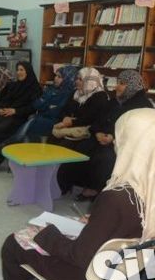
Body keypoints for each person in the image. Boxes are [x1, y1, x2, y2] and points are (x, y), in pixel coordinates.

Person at [1, 107, 155, 280]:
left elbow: (78, 256)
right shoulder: (148, 190)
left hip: (85, 279)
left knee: (13, 244)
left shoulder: (116, 197)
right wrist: (97, 224)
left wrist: (47, 234)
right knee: (64, 234)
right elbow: (131, 227)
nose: (115, 141)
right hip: (120, 275)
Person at [57, 70, 153, 201]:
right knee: (80, 149)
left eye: (122, 84)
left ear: (132, 86)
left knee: (104, 157)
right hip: (100, 138)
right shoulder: (114, 101)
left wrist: (113, 137)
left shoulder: (142, 105)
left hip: (123, 145)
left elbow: (137, 132)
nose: (117, 87)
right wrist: (97, 132)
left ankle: (96, 189)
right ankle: (64, 185)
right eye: (118, 83)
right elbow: (98, 121)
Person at [0, 65, 77, 153]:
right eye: (56, 75)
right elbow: (36, 105)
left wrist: (45, 104)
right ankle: (13, 152)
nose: (55, 78)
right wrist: (48, 105)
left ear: (67, 79)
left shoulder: (69, 95)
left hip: (55, 122)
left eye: (59, 77)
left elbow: (55, 113)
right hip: (41, 117)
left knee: (32, 122)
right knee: (30, 123)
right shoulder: (51, 89)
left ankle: (6, 145)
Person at [0, 61, 41, 167]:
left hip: (19, 117)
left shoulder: (35, 89)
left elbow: (33, 107)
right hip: (4, 114)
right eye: (17, 70)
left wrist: (15, 111)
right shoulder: (13, 85)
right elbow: (4, 100)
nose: (19, 72)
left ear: (28, 71)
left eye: (21, 70)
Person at [49, 67, 109, 153]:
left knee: (63, 146)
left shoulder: (100, 96)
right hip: (70, 127)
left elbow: (90, 118)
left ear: (90, 81)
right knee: (52, 138)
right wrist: (65, 117)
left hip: (86, 132)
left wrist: (72, 122)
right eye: (77, 78)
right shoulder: (76, 93)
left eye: (80, 79)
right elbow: (64, 110)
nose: (76, 81)